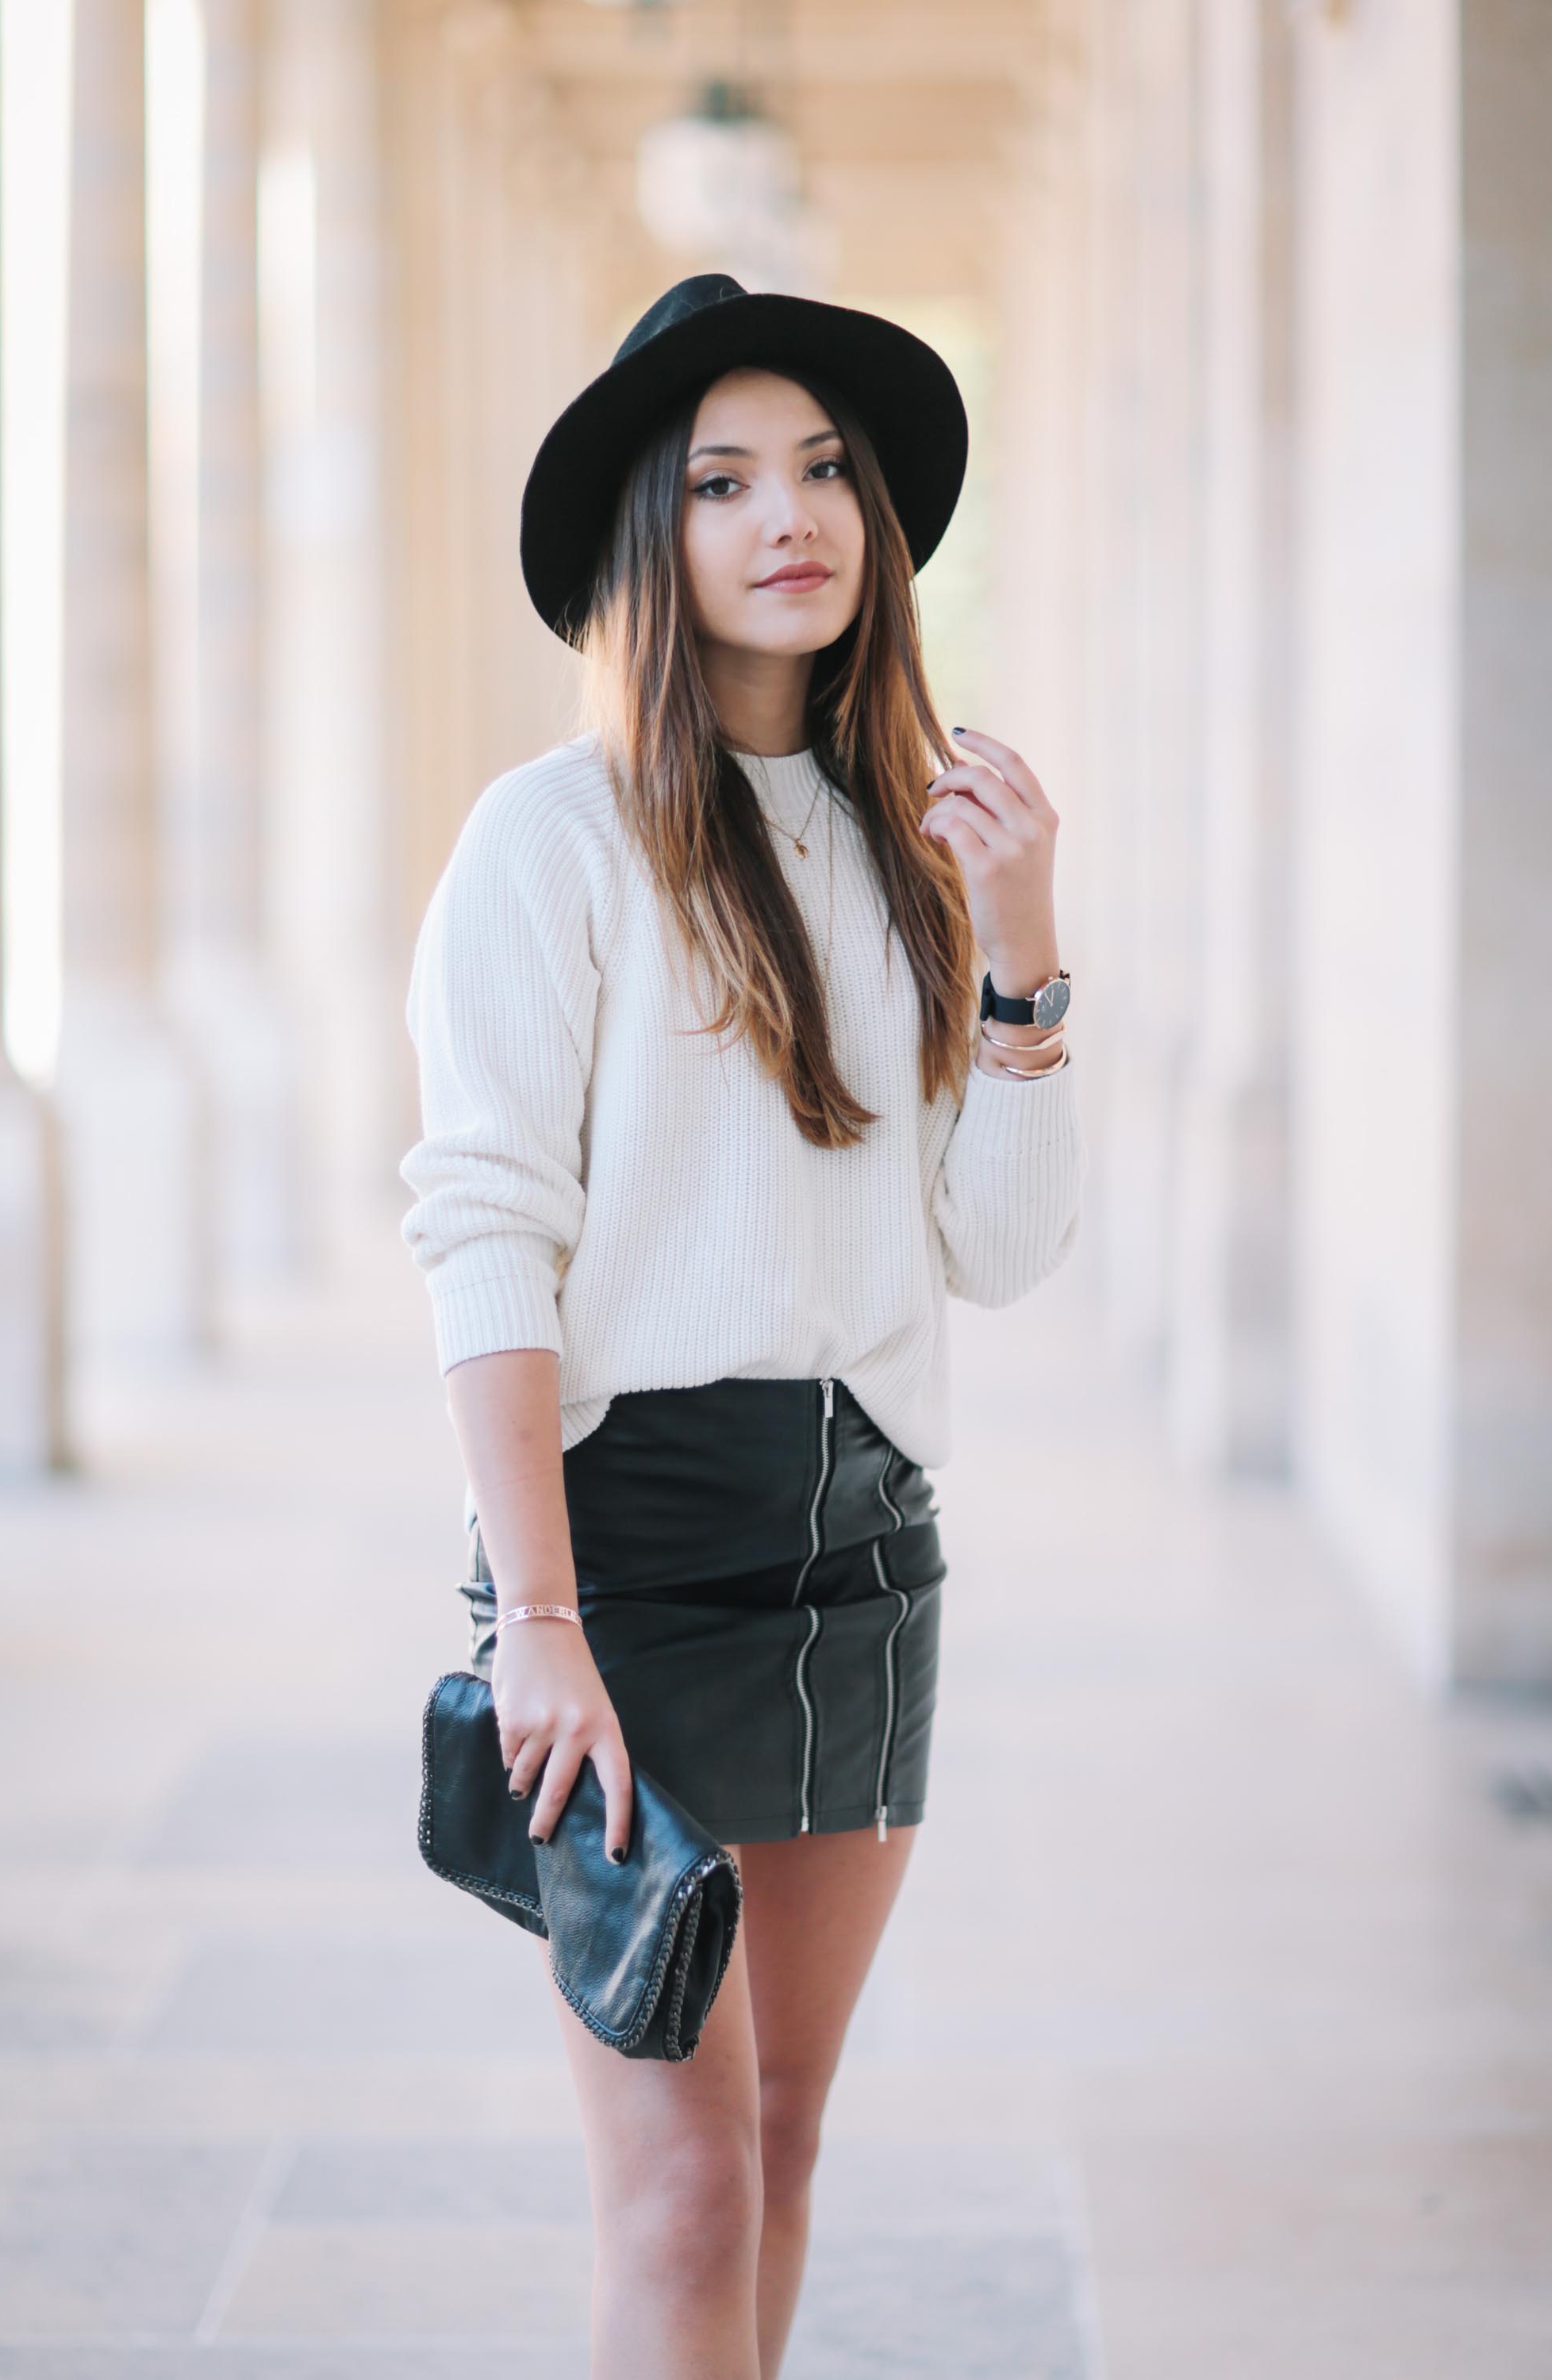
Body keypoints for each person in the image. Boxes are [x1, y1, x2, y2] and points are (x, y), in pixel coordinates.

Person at [398, 273, 1087, 2380]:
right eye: (721, 481)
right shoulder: (552, 840)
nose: (785, 516)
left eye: (820, 473)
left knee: (782, 2144)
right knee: (680, 2189)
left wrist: (1029, 953)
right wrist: (537, 1614)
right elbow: (486, 1233)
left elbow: (1003, 1246)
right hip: (629, 1564)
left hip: (864, 1551)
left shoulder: (918, 849)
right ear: (652, 537)